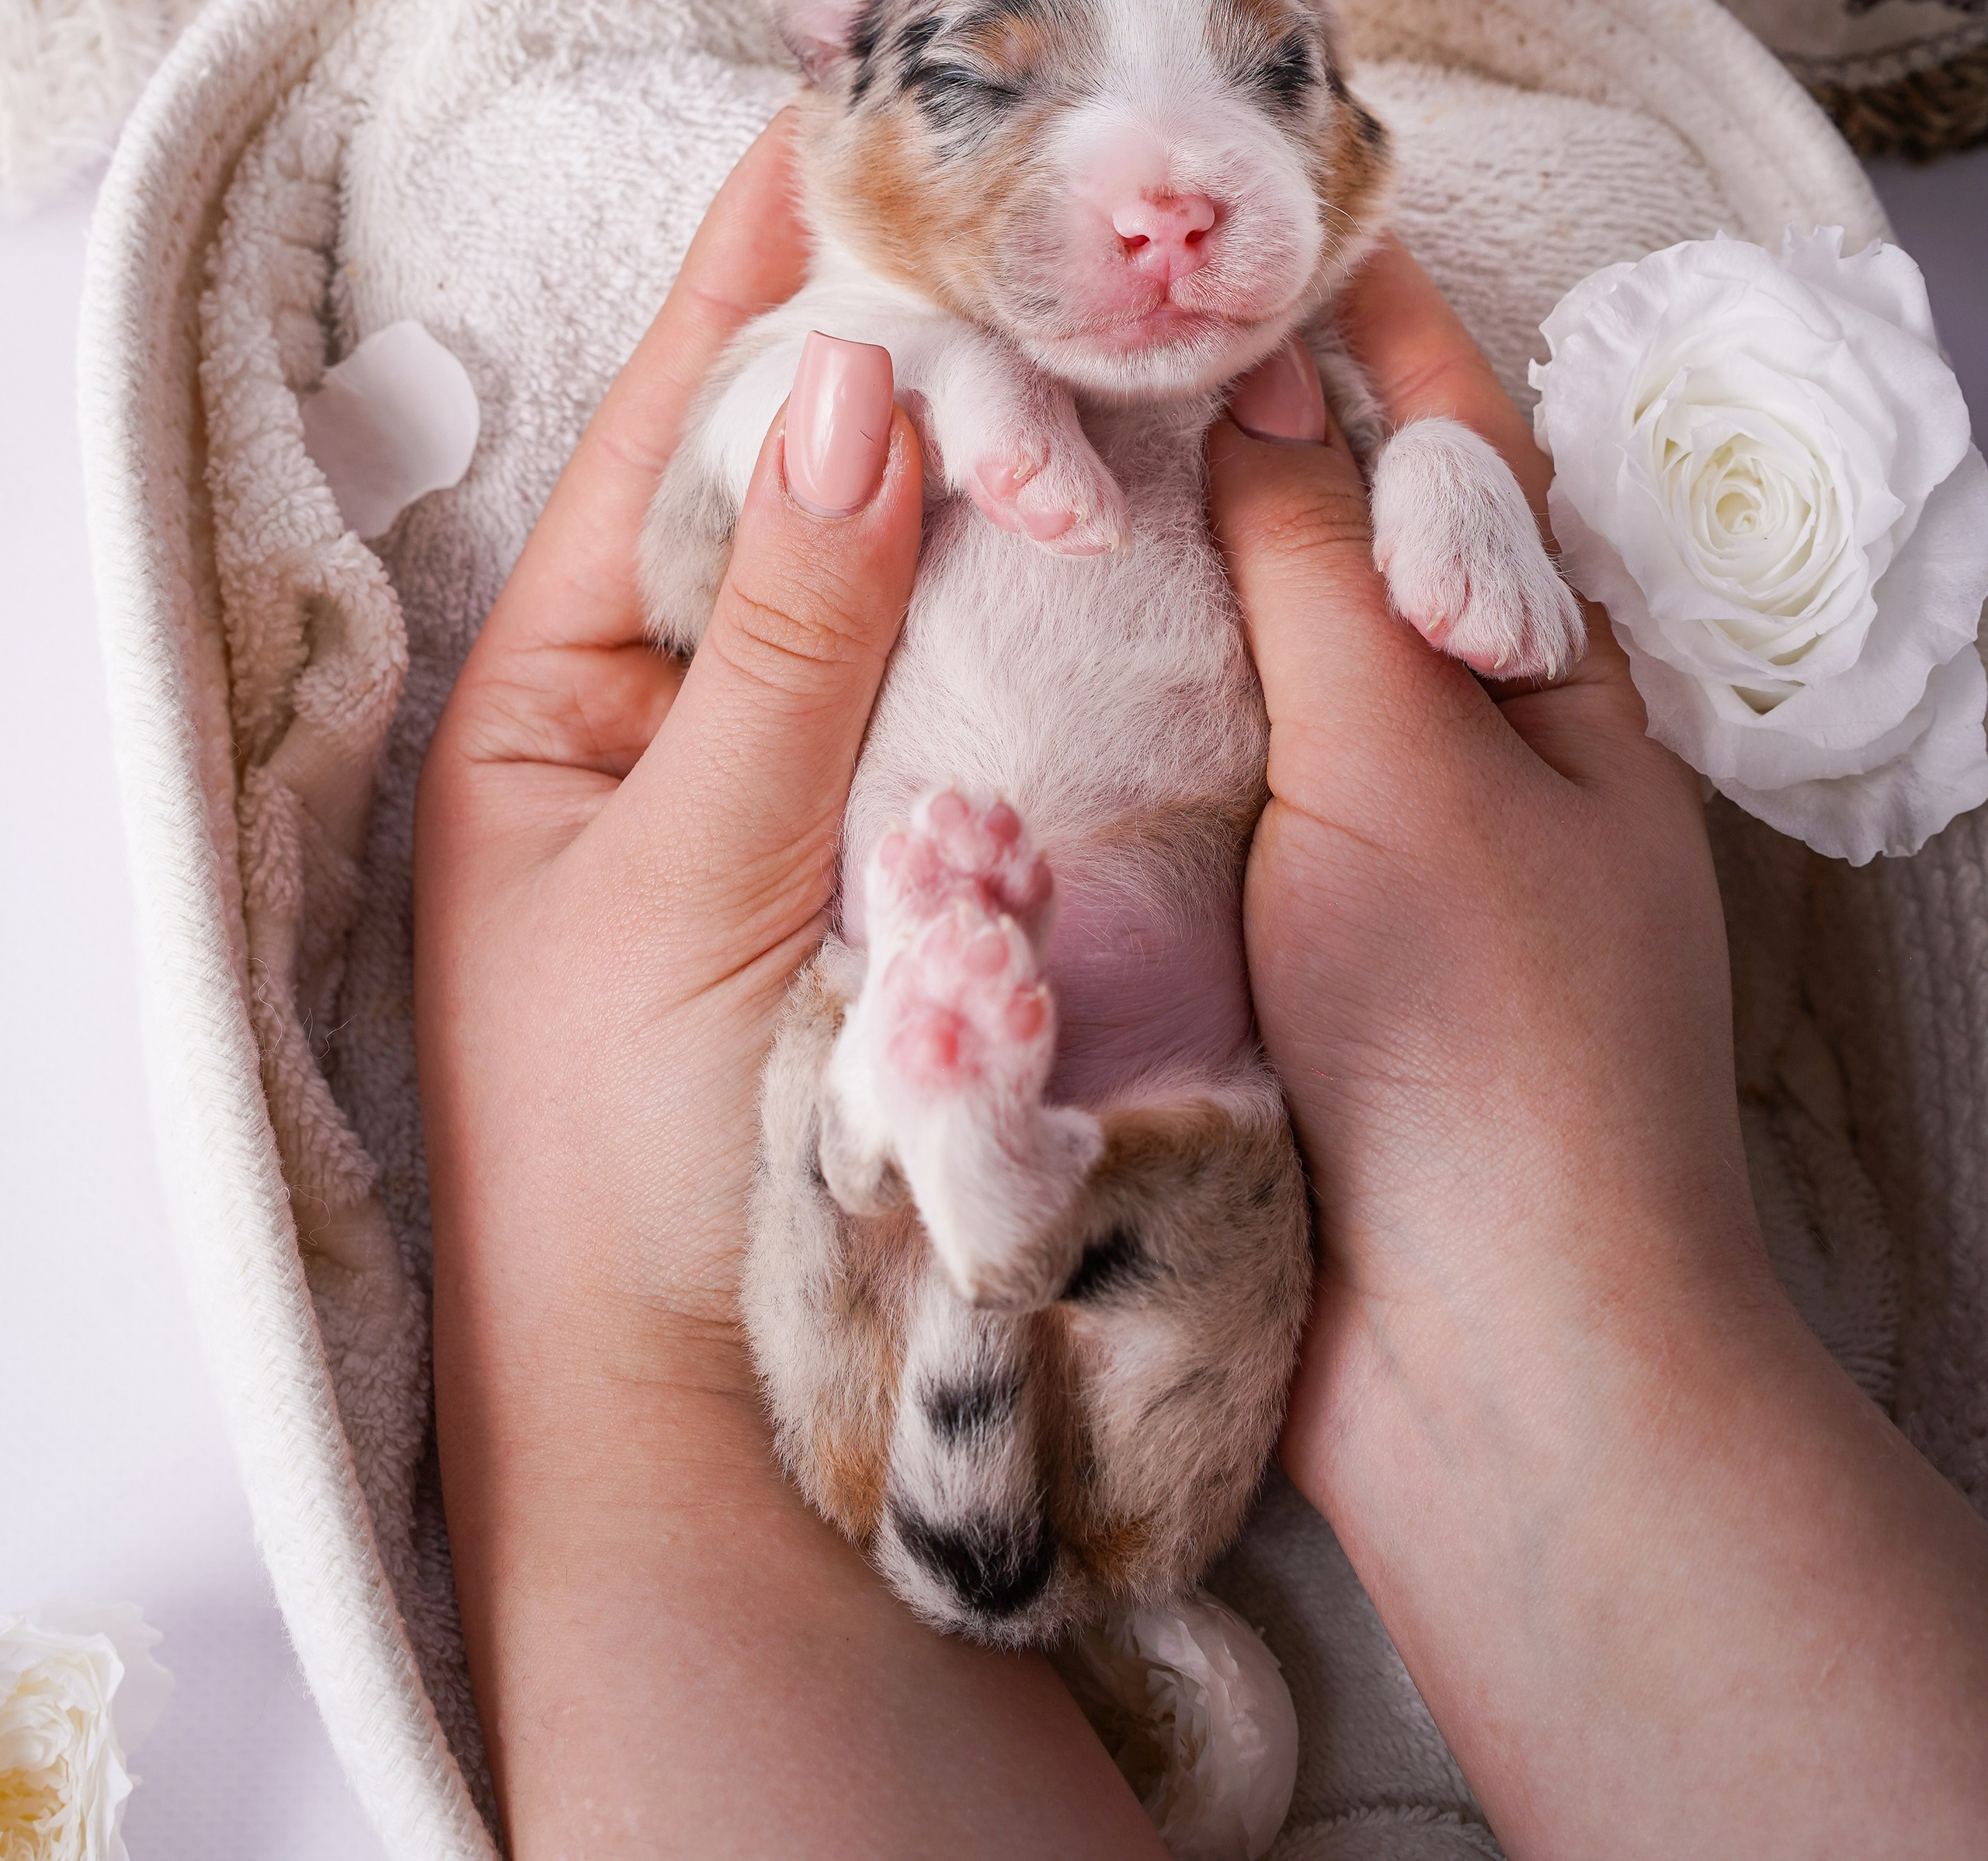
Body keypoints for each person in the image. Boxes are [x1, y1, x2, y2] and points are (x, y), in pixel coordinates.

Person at [414, 112, 1988, 1859]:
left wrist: (606, 1372)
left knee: (922, 1165)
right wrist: (1556, 1324)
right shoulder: (919, 298)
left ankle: (949, 1162)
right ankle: (961, 1177)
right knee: (924, 1183)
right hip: (1090, 1208)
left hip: (1079, 1182)